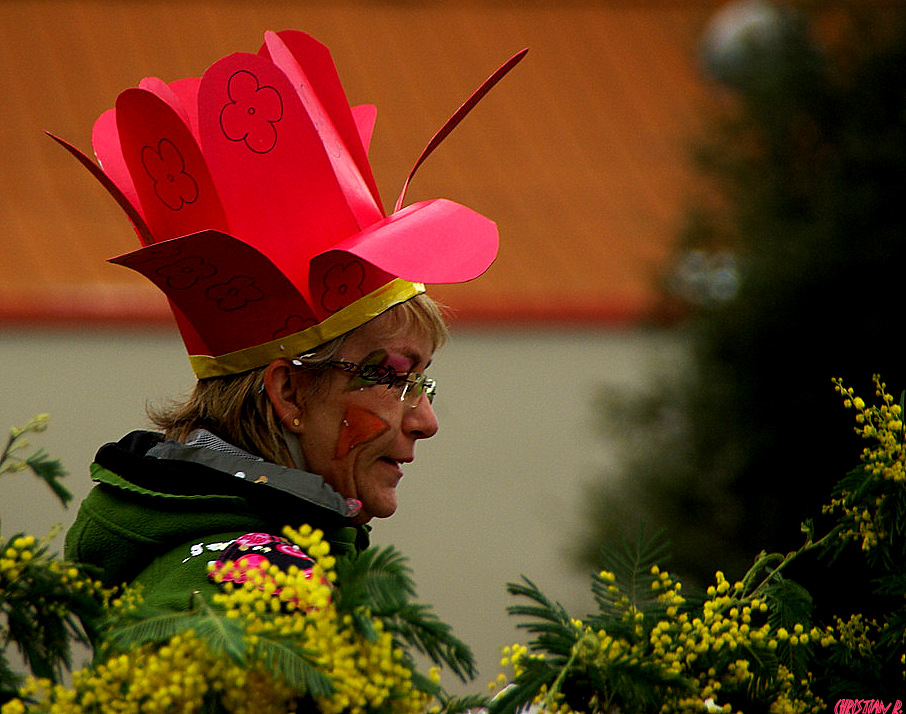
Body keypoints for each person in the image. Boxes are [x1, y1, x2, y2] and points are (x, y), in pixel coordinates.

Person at [61, 30, 523, 611]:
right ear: (289, 392)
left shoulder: (260, 558)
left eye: (421, 382)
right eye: (391, 377)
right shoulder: (258, 597)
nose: (427, 420)